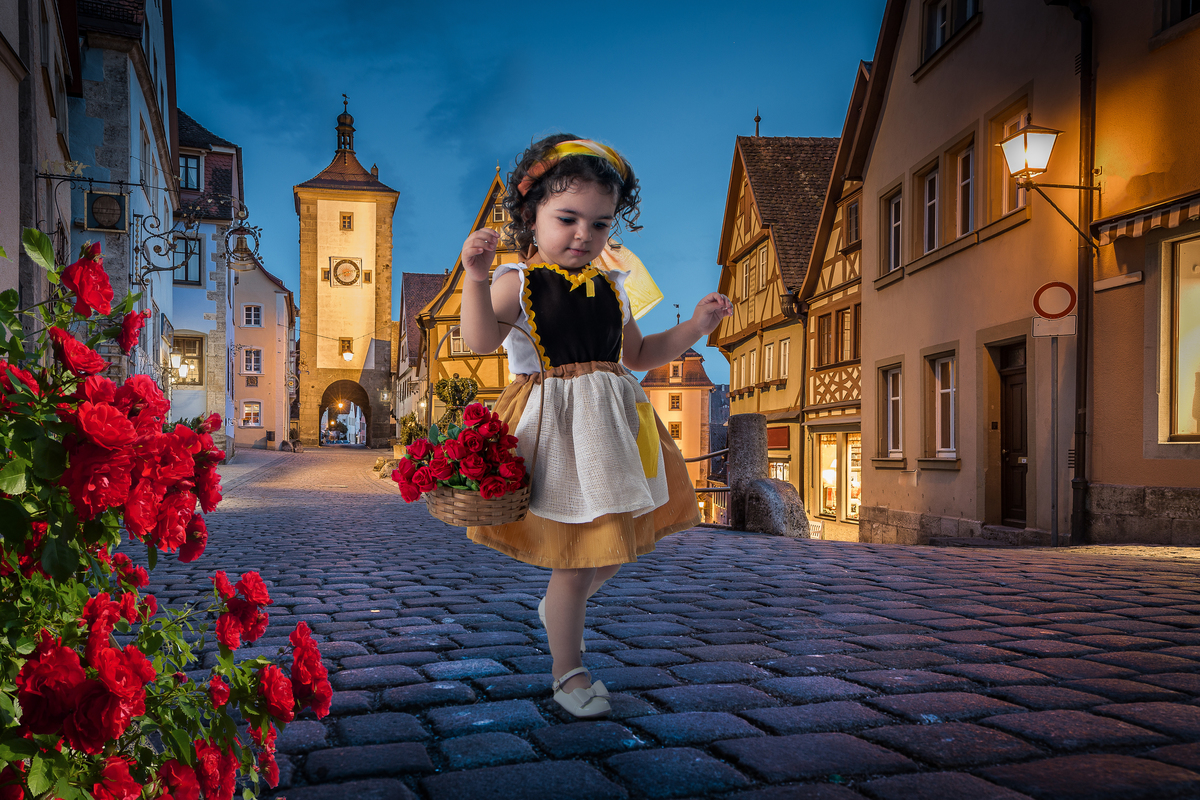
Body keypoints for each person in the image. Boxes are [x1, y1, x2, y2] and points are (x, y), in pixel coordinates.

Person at [459, 134, 732, 718]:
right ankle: (568, 670)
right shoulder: (516, 280)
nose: (584, 234)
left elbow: (638, 354)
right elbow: (478, 341)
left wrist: (698, 327)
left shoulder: (615, 287)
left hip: (613, 434)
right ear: (530, 217)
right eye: (568, 218)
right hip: (558, 435)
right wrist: (476, 278)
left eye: (601, 224)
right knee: (579, 554)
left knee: (612, 547)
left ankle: (562, 607)